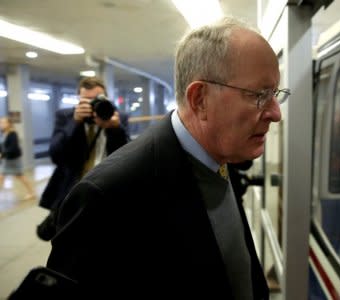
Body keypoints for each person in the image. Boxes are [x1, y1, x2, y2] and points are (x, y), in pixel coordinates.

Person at [40, 17, 290, 299]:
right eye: (260, 95)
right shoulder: (107, 196)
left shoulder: (220, 155)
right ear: (200, 99)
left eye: (276, 94)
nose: (275, 112)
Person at [35, 76, 130, 241]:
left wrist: (116, 129)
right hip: (74, 192)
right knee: (70, 241)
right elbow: (56, 154)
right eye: (87, 100)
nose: (93, 105)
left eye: (98, 99)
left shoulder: (116, 116)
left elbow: (128, 156)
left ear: (106, 98)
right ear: (79, 100)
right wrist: (74, 122)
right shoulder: (66, 116)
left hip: (108, 190)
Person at [0, 117, 36, 200]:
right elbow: (2, 146)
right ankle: (32, 192)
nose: (1, 124)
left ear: (9, 124)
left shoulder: (13, 133)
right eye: (0, 122)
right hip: (7, 159)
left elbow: (13, 148)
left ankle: (32, 192)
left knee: (21, 176)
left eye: (3, 122)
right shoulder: (4, 133)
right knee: (2, 177)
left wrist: (2, 155)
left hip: (14, 160)